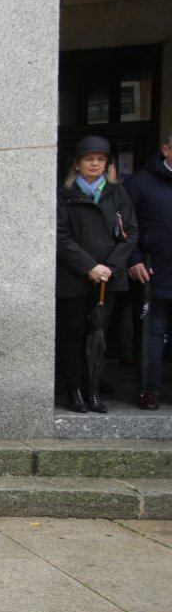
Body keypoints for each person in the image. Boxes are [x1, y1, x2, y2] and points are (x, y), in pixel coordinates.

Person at [56, 136, 137, 413]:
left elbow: (130, 234)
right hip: (74, 277)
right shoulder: (63, 195)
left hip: (106, 280)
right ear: (77, 164)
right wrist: (88, 266)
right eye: (89, 159)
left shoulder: (118, 194)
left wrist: (109, 268)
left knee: (98, 335)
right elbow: (60, 236)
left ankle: (93, 389)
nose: (95, 164)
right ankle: (74, 390)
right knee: (72, 334)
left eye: (100, 159)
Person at [124, 131, 172, 410]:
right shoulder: (141, 182)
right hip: (153, 273)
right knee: (152, 335)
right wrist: (134, 258)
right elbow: (125, 226)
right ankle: (149, 390)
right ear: (166, 149)